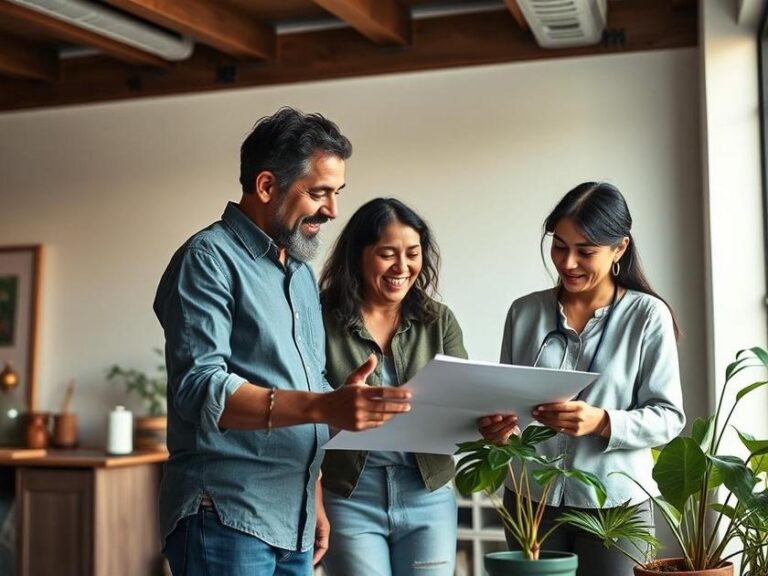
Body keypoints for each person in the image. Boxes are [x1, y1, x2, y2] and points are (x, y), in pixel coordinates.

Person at [154, 108, 412, 576]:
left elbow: (305, 392)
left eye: (337, 193)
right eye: (318, 193)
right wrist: (324, 407)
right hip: (224, 513)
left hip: (291, 518)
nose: (332, 210)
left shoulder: (298, 274)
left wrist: (313, 494)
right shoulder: (207, 259)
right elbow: (200, 389)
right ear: (267, 186)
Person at [479, 182, 686, 576]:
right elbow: (506, 402)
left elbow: (669, 416)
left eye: (585, 251)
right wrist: (498, 429)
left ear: (619, 249)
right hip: (530, 501)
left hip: (615, 505)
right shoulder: (524, 313)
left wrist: (603, 422)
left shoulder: (646, 316)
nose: (568, 262)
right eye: (559, 246)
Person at [318, 198, 475, 576]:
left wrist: (491, 421)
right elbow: (303, 411)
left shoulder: (438, 320)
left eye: (413, 253)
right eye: (387, 254)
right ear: (359, 255)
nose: (402, 267)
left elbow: (465, 401)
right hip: (350, 494)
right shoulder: (320, 319)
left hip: (427, 492)